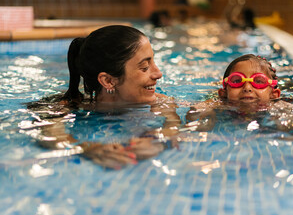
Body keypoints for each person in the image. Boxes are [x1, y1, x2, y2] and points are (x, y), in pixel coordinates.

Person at [28, 25, 181, 169]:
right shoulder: (68, 105)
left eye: (153, 61)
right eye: (145, 67)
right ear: (108, 81)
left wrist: (159, 139)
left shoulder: (162, 102)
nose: (158, 73)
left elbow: (173, 125)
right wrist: (87, 148)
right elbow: (50, 133)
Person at [186, 54, 283, 131]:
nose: (247, 88)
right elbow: (193, 114)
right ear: (223, 94)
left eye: (258, 81)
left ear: (274, 95)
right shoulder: (218, 103)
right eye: (237, 81)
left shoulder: (281, 106)